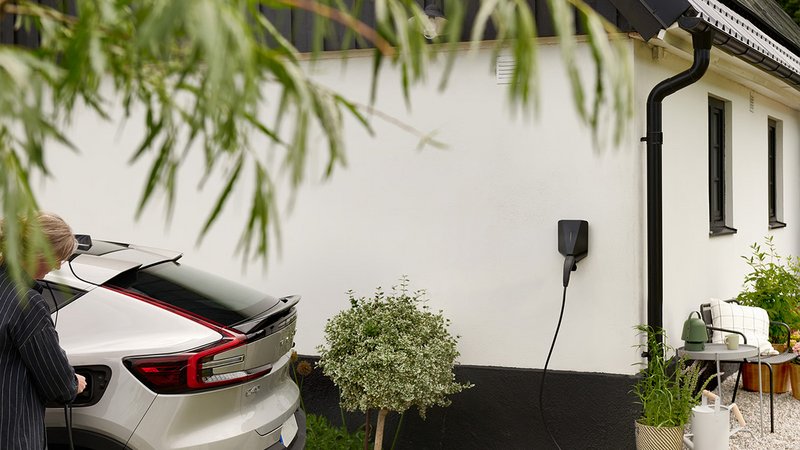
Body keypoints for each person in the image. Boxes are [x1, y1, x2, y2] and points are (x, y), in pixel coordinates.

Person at [0, 212, 87, 449]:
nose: (57, 266)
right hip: (12, 437)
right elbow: (57, 382)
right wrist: (73, 383)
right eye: (57, 257)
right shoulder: (27, 303)